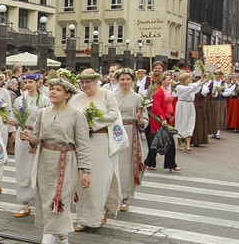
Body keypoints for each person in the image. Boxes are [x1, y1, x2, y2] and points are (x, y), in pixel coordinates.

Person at [20, 77, 91, 244]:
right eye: (51, 89)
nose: (53, 92)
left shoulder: (77, 114)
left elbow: (83, 145)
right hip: (45, 161)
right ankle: (64, 242)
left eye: (58, 90)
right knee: (46, 202)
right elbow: (37, 138)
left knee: (57, 201)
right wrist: (29, 137)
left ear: (67, 95)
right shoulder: (42, 113)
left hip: (66, 161)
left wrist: (85, 170)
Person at [69, 69, 122, 232]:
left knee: (99, 180)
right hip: (82, 143)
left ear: (96, 81)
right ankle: (83, 218)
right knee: (82, 180)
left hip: (101, 142)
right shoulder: (76, 98)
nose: (85, 85)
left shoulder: (107, 95)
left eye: (88, 82)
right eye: (82, 82)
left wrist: (94, 122)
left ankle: (98, 214)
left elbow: (114, 114)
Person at [10, 73, 50, 217]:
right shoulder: (20, 100)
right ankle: (25, 203)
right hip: (22, 136)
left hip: (37, 136)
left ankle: (41, 203)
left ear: (38, 83)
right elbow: (15, 119)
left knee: (39, 169)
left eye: (30, 82)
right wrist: (8, 120)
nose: (27, 85)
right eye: (25, 82)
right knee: (22, 169)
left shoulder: (45, 100)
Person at [114, 69, 147, 212]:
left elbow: (145, 120)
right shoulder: (112, 97)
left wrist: (140, 119)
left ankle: (126, 197)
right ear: (118, 80)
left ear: (132, 80)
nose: (125, 82)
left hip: (130, 132)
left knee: (128, 165)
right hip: (116, 132)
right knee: (115, 164)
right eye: (122, 79)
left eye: (128, 79)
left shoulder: (138, 98)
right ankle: (114, 195)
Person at [144, 71, 179, 172]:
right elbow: (156, 107)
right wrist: (163, 118)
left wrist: (171, 115)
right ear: (162, 80)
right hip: (158, 119)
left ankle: (169, 163)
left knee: (168, 140)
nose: (170, 81)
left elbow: (169, 104)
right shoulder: (158, 91)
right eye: (168, 80)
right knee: (157, 140)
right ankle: (151, 161)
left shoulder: (167, 90)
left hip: (165, 118)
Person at [174, 72, 208, 152]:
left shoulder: (190, 86)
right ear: (184, 79)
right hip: (182, 105)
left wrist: (202, 78)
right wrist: (202, 82)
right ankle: (179, 142)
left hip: (190, 105)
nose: (190, 79)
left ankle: (188, 144)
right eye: (188, 78)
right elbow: (191, 88)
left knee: (190, 122)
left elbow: (196, 85)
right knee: (181, 122)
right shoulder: (179, 87)